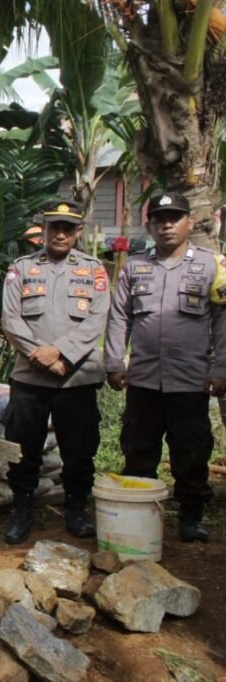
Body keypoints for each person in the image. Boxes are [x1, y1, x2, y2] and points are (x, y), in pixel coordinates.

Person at [105, 191, 226, 543]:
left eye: (175, 218)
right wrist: (114, 361)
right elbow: (119, 317)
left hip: (189, 380)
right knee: (138, 449)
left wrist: (221, 368)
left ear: (190, 222)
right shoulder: (135, 266)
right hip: (143, 379)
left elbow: (222, 321)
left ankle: (191, 515)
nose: (167, 226)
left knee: (191, 450)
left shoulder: (211, 266)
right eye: (160, 220)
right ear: (150, 226)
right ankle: (140, 516)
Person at [1, 200, 110, 545]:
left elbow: (97, 319)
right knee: (24, 449)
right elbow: (11, 319)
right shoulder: (21, 268)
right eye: (54, 227)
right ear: (44, 230)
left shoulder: (93, 270)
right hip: (30, 378)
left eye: (68, 228)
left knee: (79, 450)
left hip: (76, 377)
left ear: (78, 232)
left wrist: (62, 353)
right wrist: (44, 357)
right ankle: (22, 509)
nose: (60, 234)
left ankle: (76, 509)